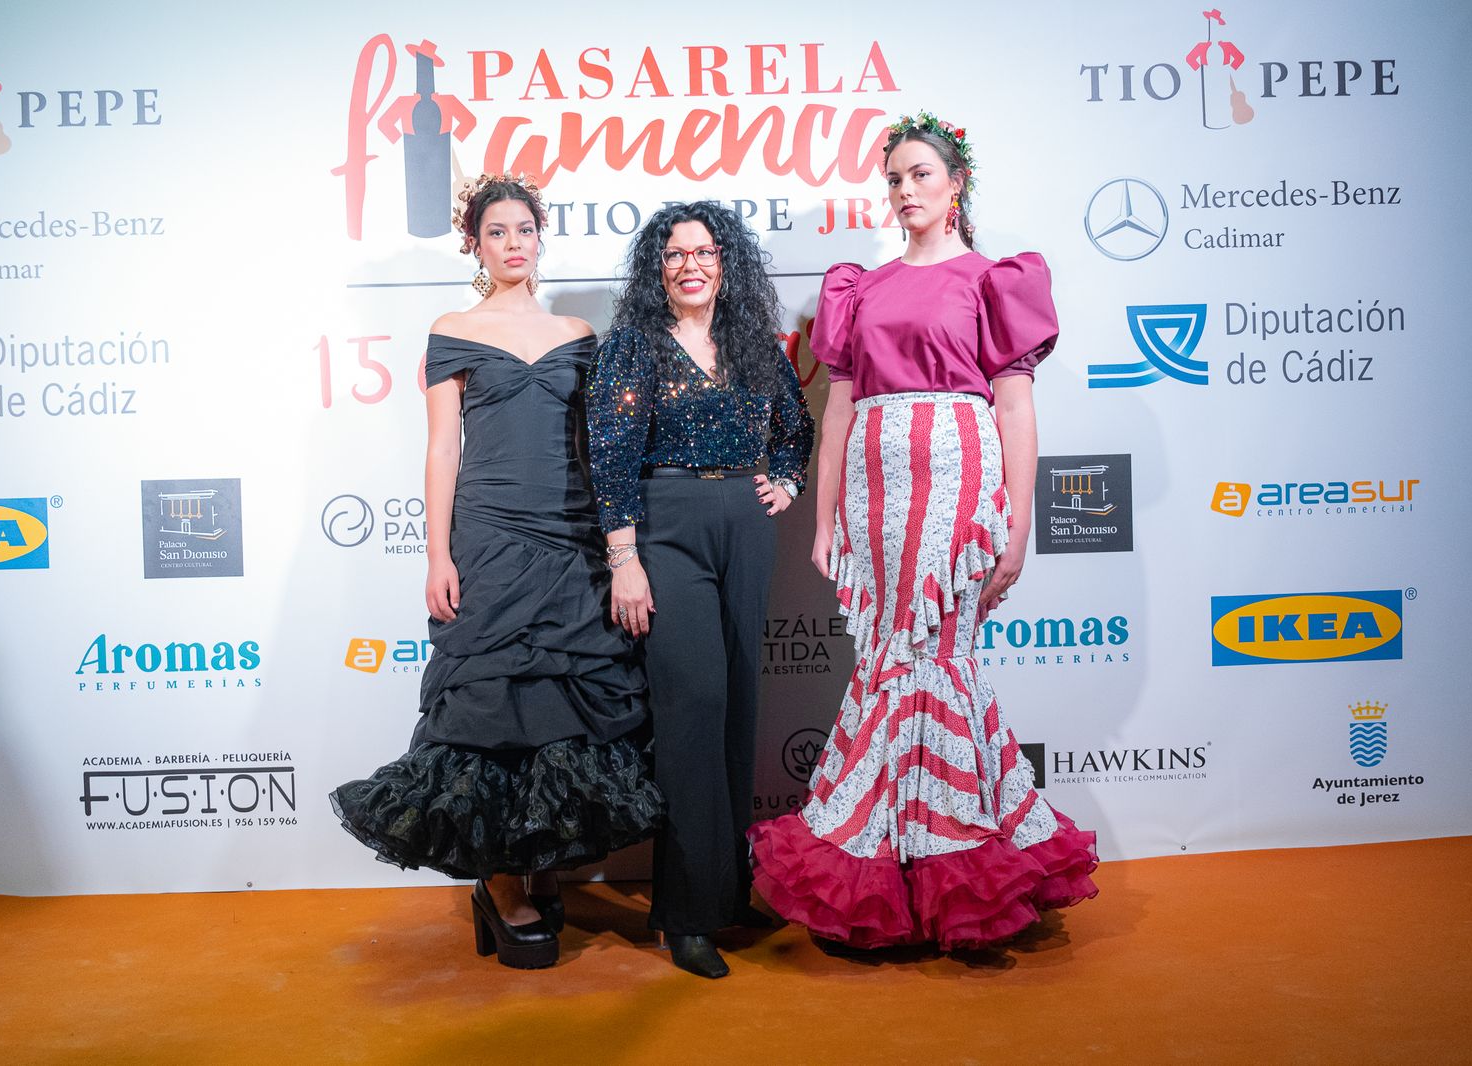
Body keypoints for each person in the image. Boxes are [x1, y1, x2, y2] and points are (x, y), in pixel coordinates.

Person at [747, 113, 1099, 953]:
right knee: (883, 662)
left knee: (939, 658)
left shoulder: (992, 279)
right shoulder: (855, 288)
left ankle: (954, 865)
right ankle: (892, 871)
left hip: (959, 487)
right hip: (873, 492)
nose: (906, 191)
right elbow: (835, 414)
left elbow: (1014, 407)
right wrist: (824, 518)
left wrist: (1017, 527)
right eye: (895, 177)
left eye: (921, 175)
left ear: (956, 184)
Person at [330, 174, 664, 970]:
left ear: (540, 236)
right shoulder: (451, 330)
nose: (513, 244)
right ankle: (501, 884)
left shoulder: (582, 333)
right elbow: (443, 448)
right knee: (489, 706)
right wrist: (438, 553)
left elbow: (600, 450)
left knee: (561, 705)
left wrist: (619, 549)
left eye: (524, 230)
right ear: (475, 247)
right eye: (496, 233)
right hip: (489, 536)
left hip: (572, 534)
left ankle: (542, 865)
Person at [587, 201, 815, 978]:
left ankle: (723, 889)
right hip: (668, 522)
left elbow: (795, 426)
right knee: (692, 708)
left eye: (705, 252)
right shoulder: (633, 346)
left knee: (739, 706)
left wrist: (786, 478)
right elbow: (610, 454)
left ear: (727, 263)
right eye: (676, 253)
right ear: (658, 268)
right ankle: (683, 913)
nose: (692, 264)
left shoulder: (753, 344)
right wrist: (625, 557)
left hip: (745, 526)